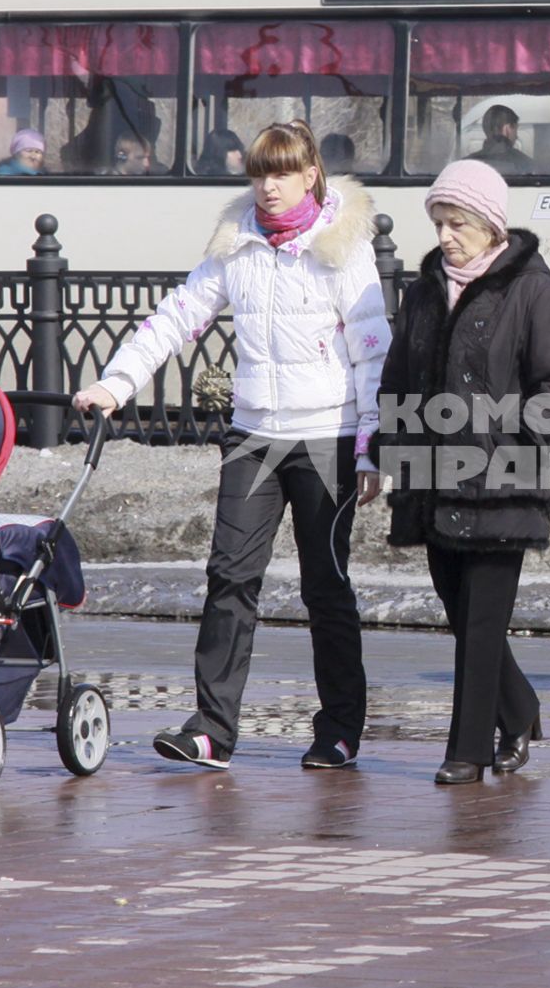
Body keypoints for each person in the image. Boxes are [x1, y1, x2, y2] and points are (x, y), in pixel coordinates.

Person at [71, 121, 391, 769]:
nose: (268, 187)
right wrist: (118, 382)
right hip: (254, 435)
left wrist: (369, 447)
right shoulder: (237, 241)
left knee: (324, 587)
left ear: (310, 177)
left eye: (281, 173)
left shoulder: (343, 246)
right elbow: (177, 316)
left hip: (325, 436)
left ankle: (338, 729)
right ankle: (212, 728)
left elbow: (372, 352)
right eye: (258, 174)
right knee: (229, 579)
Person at [375, 159, 550, 784]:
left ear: (492, 226)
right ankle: (519, 709)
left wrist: (502, 426)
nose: (445, 235)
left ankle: (466, 751)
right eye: (439, 222)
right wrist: (388, 450)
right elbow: (396, 382)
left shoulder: (533, 290)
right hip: (432, 483)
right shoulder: (422, 290)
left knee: (482, 619)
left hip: (504, 481)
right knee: (463, 613)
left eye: (458, 222)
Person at [468, 104, 535, 176]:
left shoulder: (467, 163)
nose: (516, 136)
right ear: (507, 128)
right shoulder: (525, 164)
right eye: (515, 130)